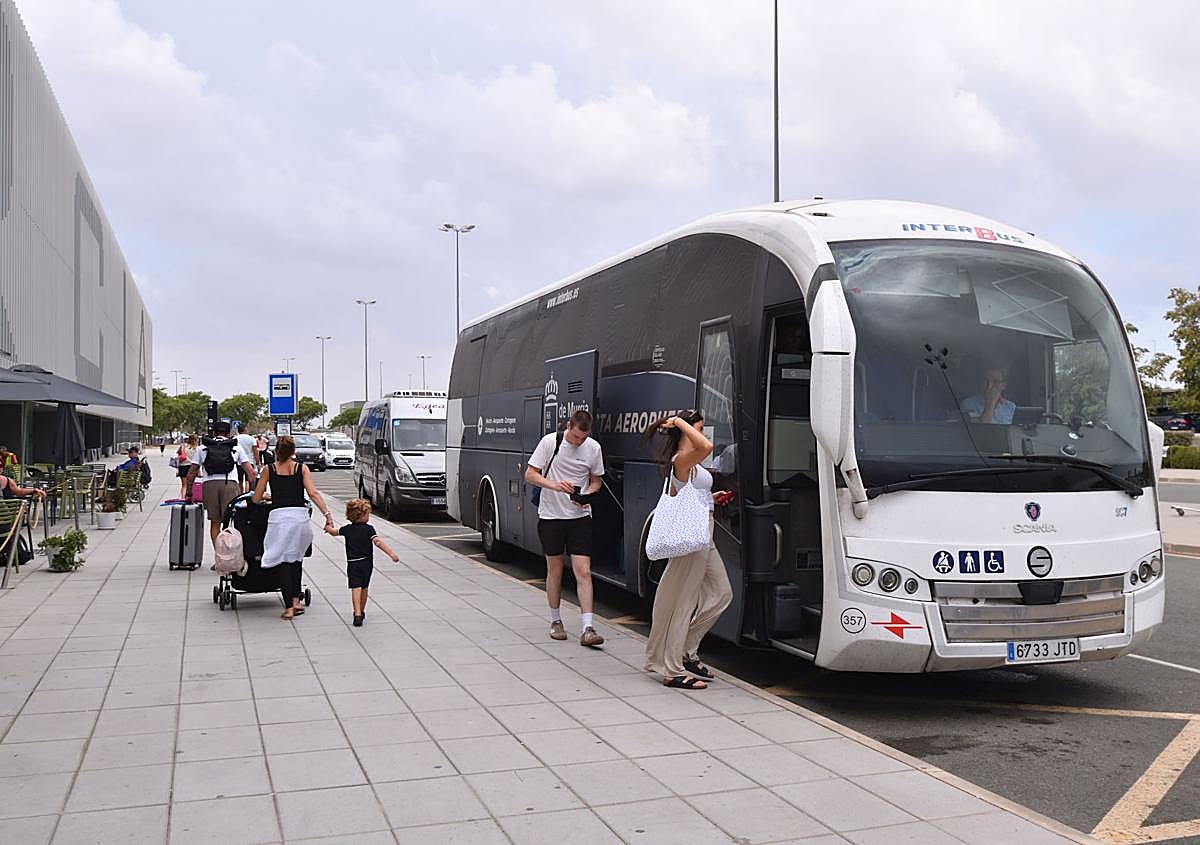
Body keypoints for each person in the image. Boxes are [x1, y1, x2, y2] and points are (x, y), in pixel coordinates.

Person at [640, 411, 733, 690]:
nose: (704, 435)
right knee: (683, 600)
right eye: (700, 428)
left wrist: (713, 498)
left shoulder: (692, 466)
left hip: (704, 532)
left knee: (721, 593)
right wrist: (678, 422)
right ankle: (672, 668)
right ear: (686, 432)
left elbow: (693, 494)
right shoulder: (681, 460)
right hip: (691, 537)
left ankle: (685, 649)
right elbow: (705, 447)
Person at [524, 409, 605, 648]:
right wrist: (555, 486)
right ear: (568, 426)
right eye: (576, 436)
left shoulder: (593, 448)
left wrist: (586, 495)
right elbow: (530, 474)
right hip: (551, 516)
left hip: (579, 515)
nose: (579, 441)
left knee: (584, 570)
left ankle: (587, 627)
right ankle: (556, 621)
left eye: (583, 438)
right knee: (555, 569)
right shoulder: (551, 442)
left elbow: (596, 480)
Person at [253, 435, 334, 620]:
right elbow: (312, 493)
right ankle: (297, 601)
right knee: (296, 560)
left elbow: (256, 498)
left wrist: (269, 497)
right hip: (300, 519)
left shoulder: (269, 469)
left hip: (279, 520)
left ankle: (289, 606)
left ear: (276, 452)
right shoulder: (301, 468)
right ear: (293, 452)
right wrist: (327, 515)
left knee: (282, 562)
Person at [324, 498, 399, 626]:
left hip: (353, 563)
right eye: (368, 514)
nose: (369, 516)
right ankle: (362, 611)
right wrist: (391, 554)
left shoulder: (347, 529)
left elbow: (333, 532)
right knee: (364, 588)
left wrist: (328, 526)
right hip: (366, 563)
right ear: (362, 516)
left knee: (355, 588)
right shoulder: (369, 529)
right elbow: (378, 542)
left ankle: (357, 613)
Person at [186, 421, 256, 550]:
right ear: (229, 433)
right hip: (230, 484)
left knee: (215, 522)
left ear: (214, 432)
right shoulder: (235, 447)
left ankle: (219, 557)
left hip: (209, 485)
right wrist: (253, 492)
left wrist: (189, 492)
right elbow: (250, 472)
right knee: (230, 522)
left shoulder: (203, 448)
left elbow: (192, 473)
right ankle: (231, 557)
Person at [234, 425, 257, 493]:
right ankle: (247, 495)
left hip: (238, 462)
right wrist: (258, 462)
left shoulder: (235, 439)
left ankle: (240, 495)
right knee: (248, 480)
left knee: (240, 480)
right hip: (249, 462)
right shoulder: (251, 438)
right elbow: (255, 451)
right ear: (245, 430)